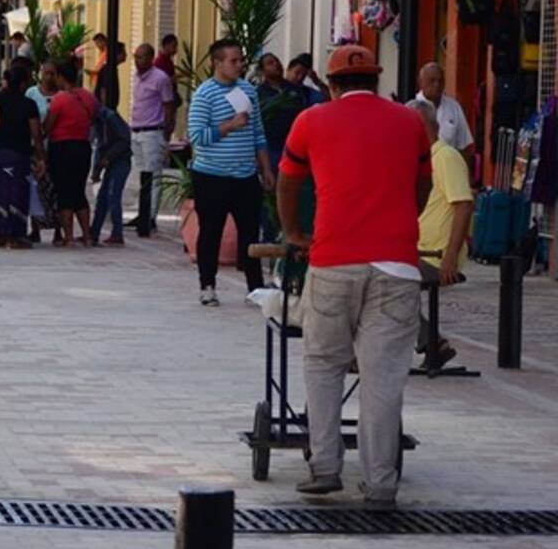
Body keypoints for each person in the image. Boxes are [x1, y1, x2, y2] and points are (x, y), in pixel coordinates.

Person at [278, 44, 433, 509]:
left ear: (331, 85)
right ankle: (381, 484)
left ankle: (325, 468)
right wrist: (401, 219)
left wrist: (293, 232)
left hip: (332, 260)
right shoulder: (410, 122)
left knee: (324, 364)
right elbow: (423, 185)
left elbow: (288, 181)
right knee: (383, 377)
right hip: (397, 265)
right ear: (376, 80)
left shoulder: (310, 121)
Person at [186, 38, 274, 305]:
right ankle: (207, 285)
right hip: (211, 176)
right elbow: (197, 136)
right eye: (233, 61)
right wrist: (229, 126)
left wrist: (265, 168)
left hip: (245, 176)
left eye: (240, 60)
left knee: (250, 233)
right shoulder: (205, 94)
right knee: (210, 231)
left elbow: (258, 132)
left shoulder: (247, 91)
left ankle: (254, 287)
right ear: (218, 63)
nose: (239, 65)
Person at [410, 98, 474, 368]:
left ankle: (432, 342)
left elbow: (464, 205)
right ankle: (431, 343)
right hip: (419, 251)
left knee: (386, 284)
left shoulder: (446, 157)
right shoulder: (423, 160)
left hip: (437, 256)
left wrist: (450, 254)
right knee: (376, 278)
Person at [0, 63, 44, 248]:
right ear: (23, 83)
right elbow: (36, 133)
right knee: (17, 195)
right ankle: (14, 236)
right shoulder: (28, 104)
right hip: (19, 155)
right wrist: (41, 157)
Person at [44, 62, 99, 246]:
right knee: (78, 191)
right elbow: (93, 118)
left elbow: (48, 126)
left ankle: (68, 237)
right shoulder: (89, 97)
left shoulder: (59, 99)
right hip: (83, 146)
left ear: (61, 77)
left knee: (64, 192)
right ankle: (87, 235)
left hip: (62, 148)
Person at [129, 42, 177, 237]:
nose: (137, 61)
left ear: (150, 58)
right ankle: (142, 212)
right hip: (136, 130)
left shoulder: (160, 78)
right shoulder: (136, 77)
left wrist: (167, 132)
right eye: (135, 57)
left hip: (152, 131)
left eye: (141, 57)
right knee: (142, 174)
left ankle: (150, 216)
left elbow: (169, 104)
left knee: (153, 176)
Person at [256, 53, 322, 167]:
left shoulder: (296, 89)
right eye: (270, 63)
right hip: (271, 150)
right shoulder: (258, 93)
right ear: (262, 71)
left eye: (277, 61)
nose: (276, 64)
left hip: (294, 146)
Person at [415, 62, 475, 166]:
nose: (437, 85)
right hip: (422, 169)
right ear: (420, 82)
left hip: (448, 168)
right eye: (432, 80)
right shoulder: (411, 108)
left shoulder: (454, 107)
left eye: (440, 81)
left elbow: (464, 147)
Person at [90, 105, 133, 247]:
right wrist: (96, 170)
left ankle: (117, 233)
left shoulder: (109, 117)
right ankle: (94, 232)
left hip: (120, 161)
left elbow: (124, 140)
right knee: (103, 197)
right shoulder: (98, 122)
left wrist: (108, 157)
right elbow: (99, 146)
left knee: (113, 194)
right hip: (111, 160)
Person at [94, 40, 126, 111]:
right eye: (123, 52)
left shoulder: (112, 68)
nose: (125, 55)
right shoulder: (108, 69)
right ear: (117, 55)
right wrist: (105, 110)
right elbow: (103, 90)